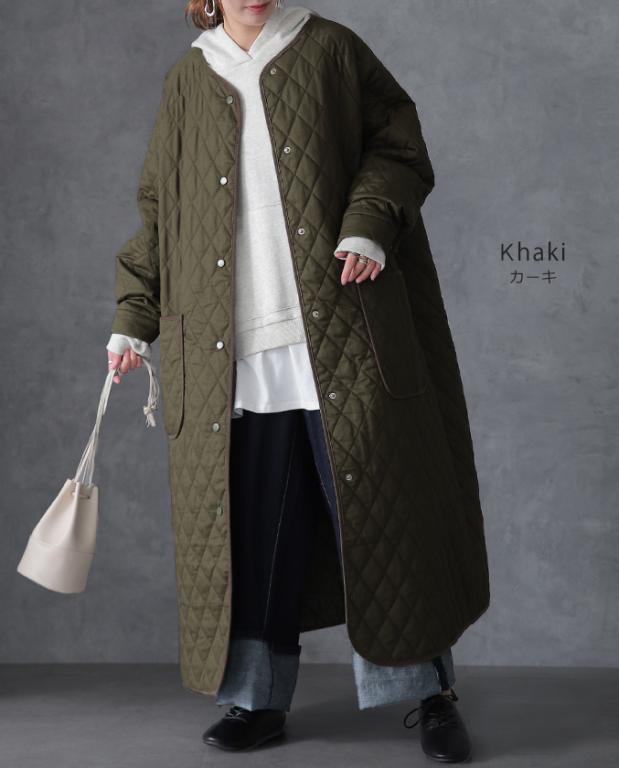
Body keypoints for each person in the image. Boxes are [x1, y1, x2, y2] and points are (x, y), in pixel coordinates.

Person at [106, 1, 490, 762]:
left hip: (344, 331)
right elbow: (159, 211)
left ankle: (430, 696)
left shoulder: (331, 49)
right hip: (229, 350)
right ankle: (256, 701)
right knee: (252, 534)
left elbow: (398, 144)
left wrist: (369, 222)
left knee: (388, 518)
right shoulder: (188, 79)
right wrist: (133, 317)